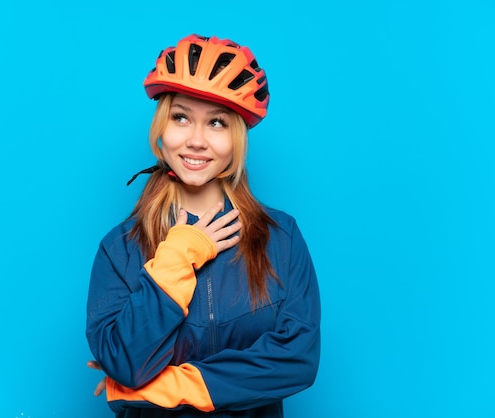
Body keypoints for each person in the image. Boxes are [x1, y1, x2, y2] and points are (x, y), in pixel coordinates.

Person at [86, 34, 321, 417]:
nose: (196, 140)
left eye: (216, 122)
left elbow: (297, 360)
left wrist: (161, 387)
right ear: (161, 128)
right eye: (181, 117)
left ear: (236, 138)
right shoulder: (119, 250)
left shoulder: (281, 237)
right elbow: (125, 362)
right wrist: (177, 256)